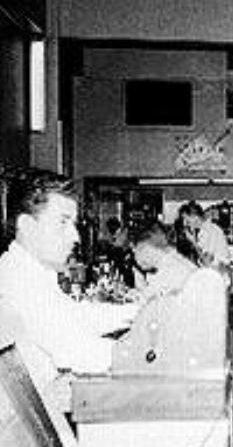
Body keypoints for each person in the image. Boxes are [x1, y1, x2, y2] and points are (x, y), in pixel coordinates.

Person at [0, 171, 138, 410]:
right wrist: (144, 352)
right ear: (27, 226)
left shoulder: (33, 272)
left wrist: (139, 312)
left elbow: (77, 317)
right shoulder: (18, 280)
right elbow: (76, 351)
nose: (75, 236)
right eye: (62, 222)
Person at [132, 223, 198, 299]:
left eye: (139, 250)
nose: (136, 256)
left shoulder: (171, 266)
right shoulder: (173, 259)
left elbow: (151, 296)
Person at [180, 201, 231, 269]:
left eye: (187, 220)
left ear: (195, 217)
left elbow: (207, 262)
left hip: (218, 272)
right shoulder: (202, 232)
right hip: (211, 271)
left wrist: (194, 243)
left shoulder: (211, 231)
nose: (185, 224)